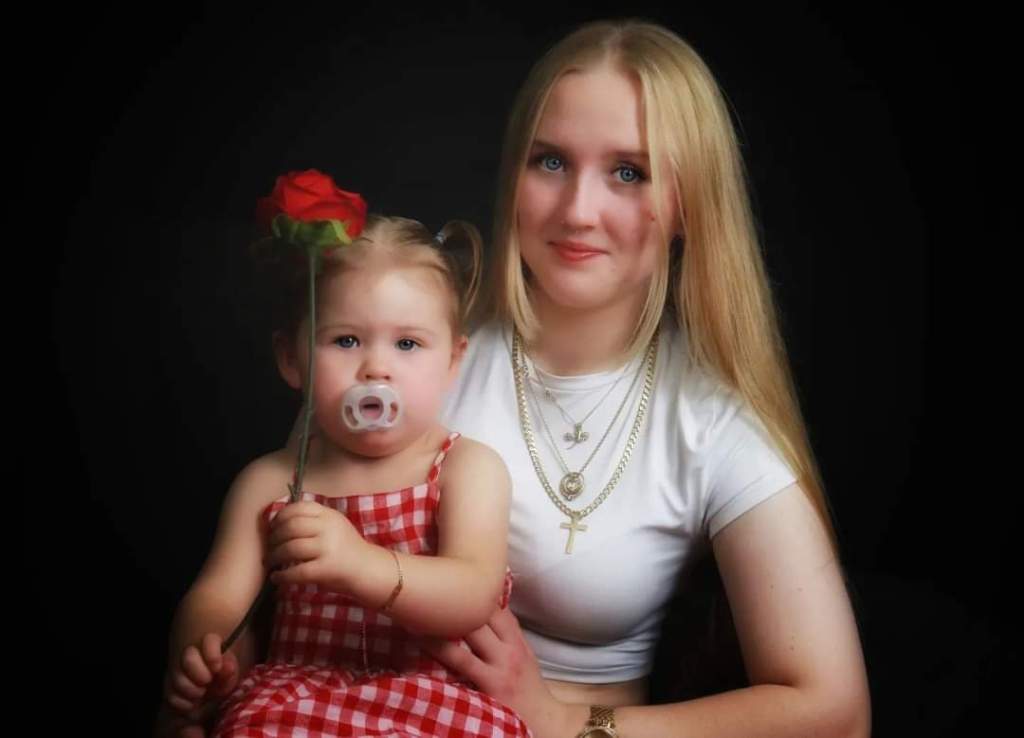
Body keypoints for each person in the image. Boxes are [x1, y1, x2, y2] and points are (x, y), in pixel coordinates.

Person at [425, 20, 871, 738]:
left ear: (690, 203)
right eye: (550, 161)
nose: (578, 211)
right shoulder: (416, 339)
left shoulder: (711, 420)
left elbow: (838, 714)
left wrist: (566, 721)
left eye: (629, 172)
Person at [159, 211, 531, 737]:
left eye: (407, 344)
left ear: (453, 361)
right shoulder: (272, 481)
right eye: (347, 341)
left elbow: (473, 593)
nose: (376, 368)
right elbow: (220, 594)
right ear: (291, 359)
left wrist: (360, 565)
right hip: (298, 696)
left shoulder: (464, 468)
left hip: (434, 694)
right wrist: (207, 648)